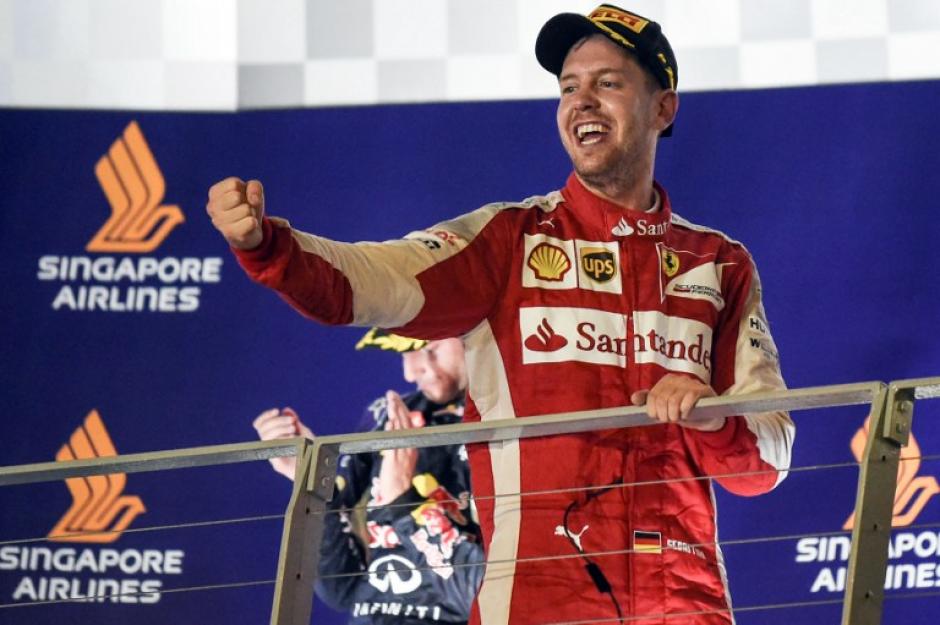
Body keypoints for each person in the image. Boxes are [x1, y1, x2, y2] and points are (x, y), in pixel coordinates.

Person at [208, 4, 795, 624]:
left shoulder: (718, 264)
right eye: (569, 88)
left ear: (663, 108)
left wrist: (712, 415)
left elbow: (769, 461)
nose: (582, 102)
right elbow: (368, 282)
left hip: (684, 600)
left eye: (608, 83)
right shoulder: (507, 242)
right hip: (537, 598)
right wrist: (269, 248)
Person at [253, 329, 483, 624]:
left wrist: (404, 505)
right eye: (403, 352)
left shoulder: (509, 424)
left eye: (429, 347)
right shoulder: (385, 414)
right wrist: (310, 478)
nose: (411, 371)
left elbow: (501, 595)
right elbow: (341, 588)